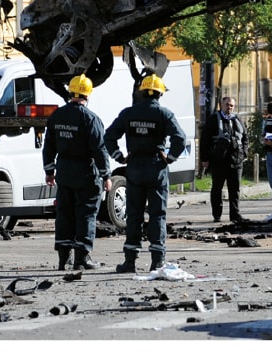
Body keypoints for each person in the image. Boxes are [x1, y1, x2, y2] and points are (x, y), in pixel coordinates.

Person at [104, 73, 188, 273]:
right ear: (159, 94)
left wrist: (119, 157)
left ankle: (130, 261)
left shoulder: (128, 113)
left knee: (134, 214)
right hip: (156, 166)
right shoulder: (164, 114)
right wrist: (170, 158)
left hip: (134, 168)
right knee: (158, 214)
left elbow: (109, 136)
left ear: (142, 92)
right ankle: (157, 260)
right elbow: (180, 139)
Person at [42, 75, 113, 270]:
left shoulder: (57, 116)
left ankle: (64, 258)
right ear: (87, 94)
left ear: (71, 92)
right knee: (86, 213)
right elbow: (99, 149)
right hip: (85, 172)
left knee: (64, 214)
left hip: (64, 170)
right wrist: (106, 175)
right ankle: (82, 257)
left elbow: (48, 145)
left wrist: (49, 171)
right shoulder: (90, 118)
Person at [199, 95, 248, 223]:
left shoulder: (237, 120)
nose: (229, 108)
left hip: (236, 161)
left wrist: (244, 154)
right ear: (222, 105)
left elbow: (245, 138)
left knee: (235, 189)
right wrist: (204, 158)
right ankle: (217, 214)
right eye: (227, 105)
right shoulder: (214, 119)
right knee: (217, 188)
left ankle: (235, 215)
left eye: (231, 105)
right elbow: (205, 140)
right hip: (218, 161)